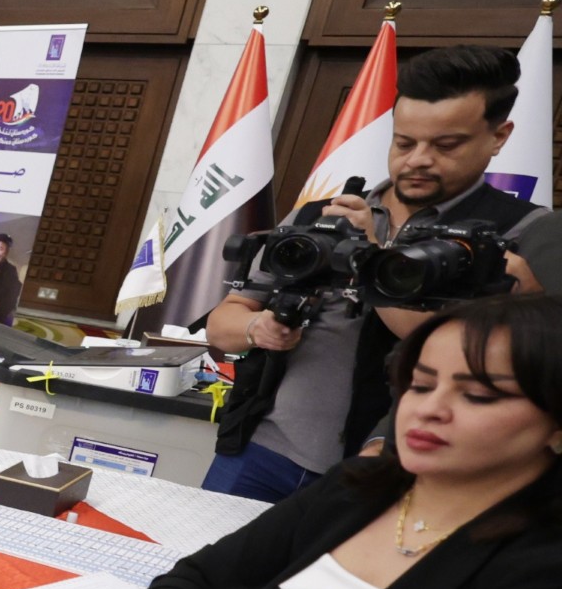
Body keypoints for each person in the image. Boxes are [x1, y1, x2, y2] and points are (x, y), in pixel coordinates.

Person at [142, 292, 562, 589]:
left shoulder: (542, 569)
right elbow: (188, 584)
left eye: (479, 396)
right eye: (421, 386)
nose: (431, 410)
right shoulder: (353, 488)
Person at [204, 46, 556, 504]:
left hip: (397, 470)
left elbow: (457, 349)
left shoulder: (526, 234)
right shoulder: (322, 214)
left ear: (499, 136)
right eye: (404, 142)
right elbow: (224, 321)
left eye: (446, 145)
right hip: (259, 451)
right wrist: (258, 328)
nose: (417, 160)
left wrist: (370, 258)